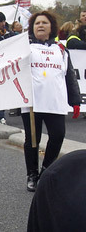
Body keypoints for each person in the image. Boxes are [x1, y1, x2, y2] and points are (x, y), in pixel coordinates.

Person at [21, 10, 81, 192]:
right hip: (32, 103)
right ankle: (32, 174)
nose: (40, 25)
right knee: (33, 140)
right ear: (32, 27)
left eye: (44, 23)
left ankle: (46, 172)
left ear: (51, 27)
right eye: (37, 23)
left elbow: (69, 76)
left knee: (57, 135)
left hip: (55, 102)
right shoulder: (24, 48)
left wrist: (75, 100)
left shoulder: (61, 50)